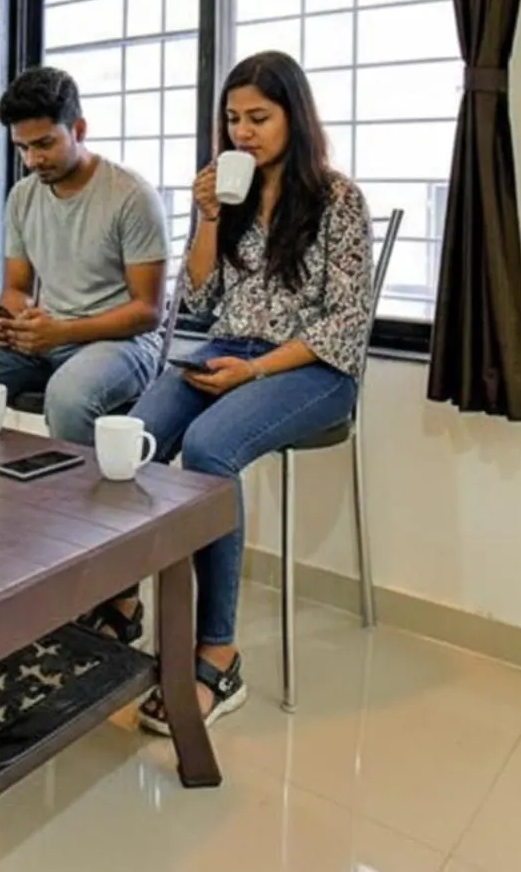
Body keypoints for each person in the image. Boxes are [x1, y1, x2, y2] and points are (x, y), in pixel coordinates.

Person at [117, 51, 374, 733]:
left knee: (208, 447)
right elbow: (198, 298)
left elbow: (345, 323)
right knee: (133, 437)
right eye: (232, 119)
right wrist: (203, 217)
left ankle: (217, 653)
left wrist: (254, 371)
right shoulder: (229, 196)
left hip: (313, 369)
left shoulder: (339, 200)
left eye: (259, 117)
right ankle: (120, 602)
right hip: (227, 351)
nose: (243, 133)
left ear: (296, 115)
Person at [0, 66, 170, 457]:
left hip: (122, 343)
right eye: (22, 147)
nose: (32, 159)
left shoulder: (131, 196)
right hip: (49, 338)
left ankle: (77, 514)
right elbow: (16, 289)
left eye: (44, 144)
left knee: (67, 399)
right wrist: (9, 321)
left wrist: (60, 331)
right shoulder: (23, 197)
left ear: (79, 130)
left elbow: (149, 312)